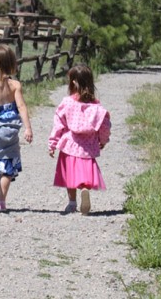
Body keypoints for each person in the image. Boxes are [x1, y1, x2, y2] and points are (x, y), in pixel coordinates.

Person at [48, 64, 111, 215]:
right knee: (85, 175)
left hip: (70, 144)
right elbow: (104, 126)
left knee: (70, 175)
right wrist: (103, 140)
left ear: (74, 82)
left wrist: (53, 143)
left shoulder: (67, 102)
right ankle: (84, 189)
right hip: (88, 146)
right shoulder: (96, 105)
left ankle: (72, 202)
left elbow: (58, 124)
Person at [0, 44, 33, 212]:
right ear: (12, 64)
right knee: (8, 167)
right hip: (11, 133)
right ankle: (1, 202)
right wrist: (28, 128)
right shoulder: (15, 85)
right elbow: (22, 106)